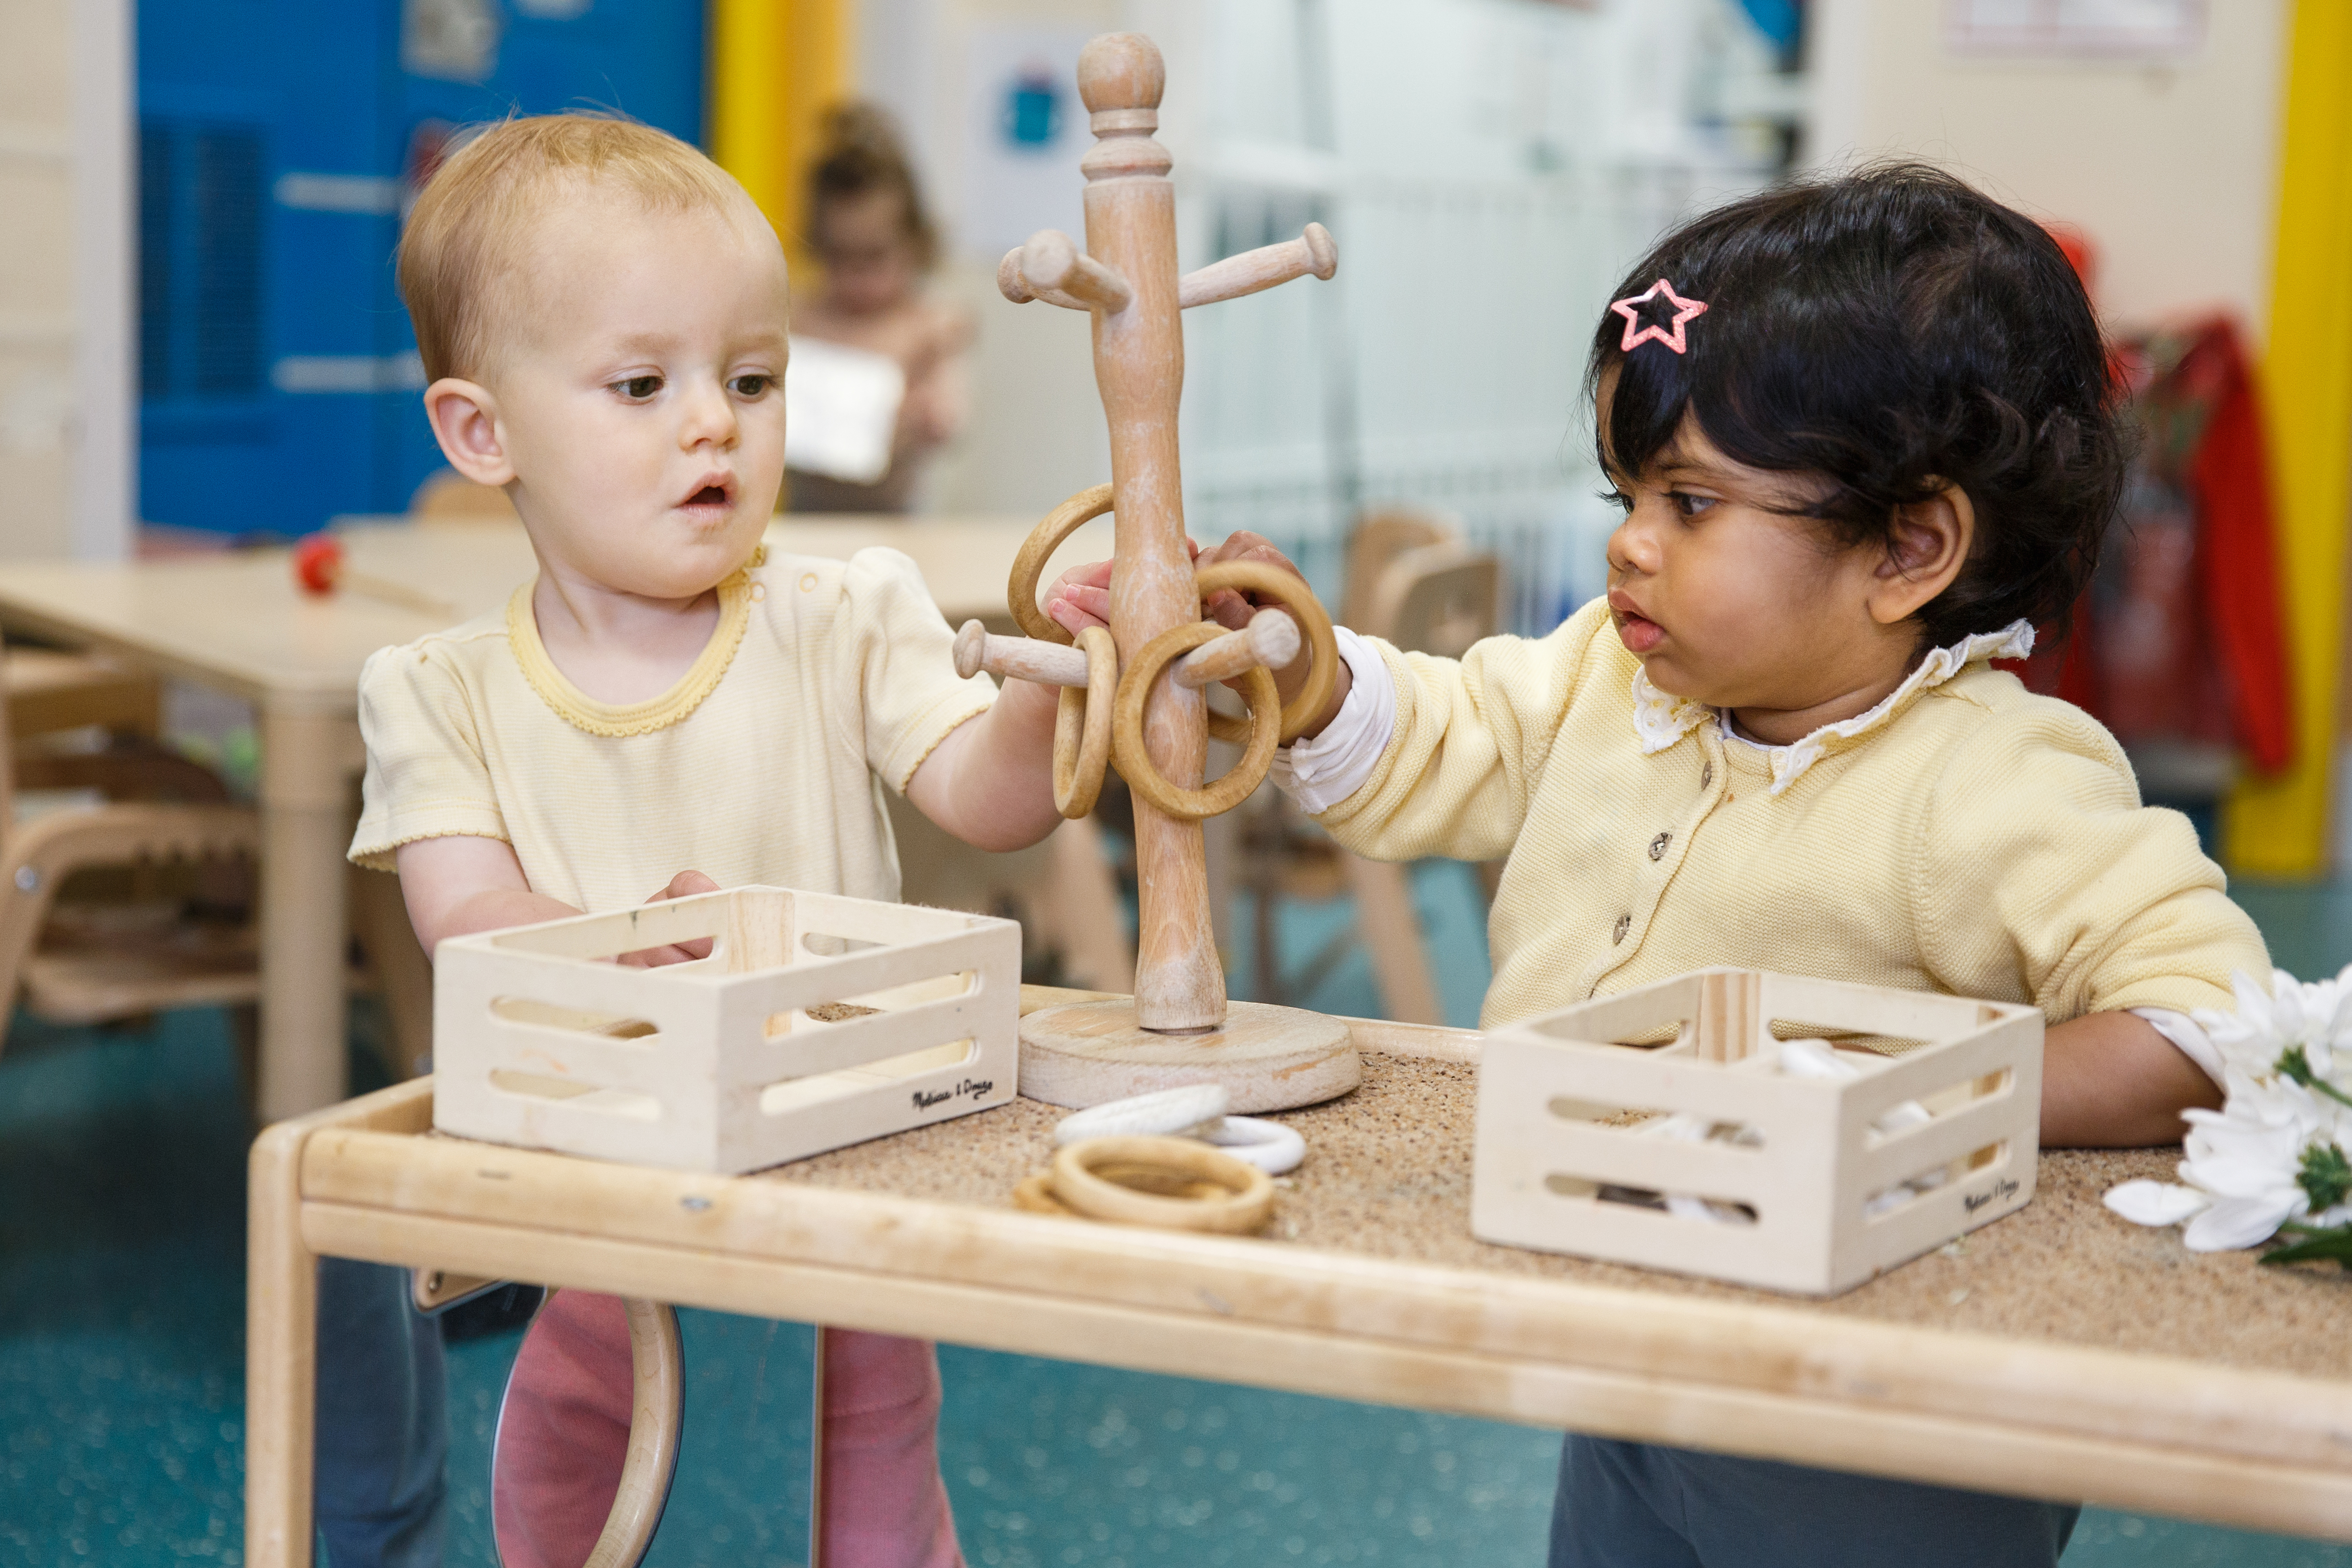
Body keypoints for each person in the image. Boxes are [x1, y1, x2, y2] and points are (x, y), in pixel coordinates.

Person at [1043, 163, 2270, 1568]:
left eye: (1690, 504)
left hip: (1867, 1401)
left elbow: (2208, 1023)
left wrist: (1892, 1105)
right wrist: (1299, 667)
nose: (1629, 542)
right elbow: (1448, 735)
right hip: (1625, 1329)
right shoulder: (1610, 679)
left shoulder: (1991, 776)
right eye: (1628, 489)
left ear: (1912, 547)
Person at [349, 112, 1066, 1568]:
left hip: (849, 1173)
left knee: (868, 1499)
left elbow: (992, 806)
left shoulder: (841, 613)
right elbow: (462, 910)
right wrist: (617, 949)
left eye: (753, 378)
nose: (712, 423)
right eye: (641, 383)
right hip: (607, 1198)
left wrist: (1057, 694)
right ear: (482, 431)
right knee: (572, 1478)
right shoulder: (438, 691)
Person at [787, 103, 971, 514]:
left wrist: (929, 413)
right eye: (839, 256)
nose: (856, 276)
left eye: (874, 257)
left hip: (895, 520)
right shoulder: (799, 319)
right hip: (807, 514)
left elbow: (951, 419)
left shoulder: (927, 326)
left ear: (915, 244)